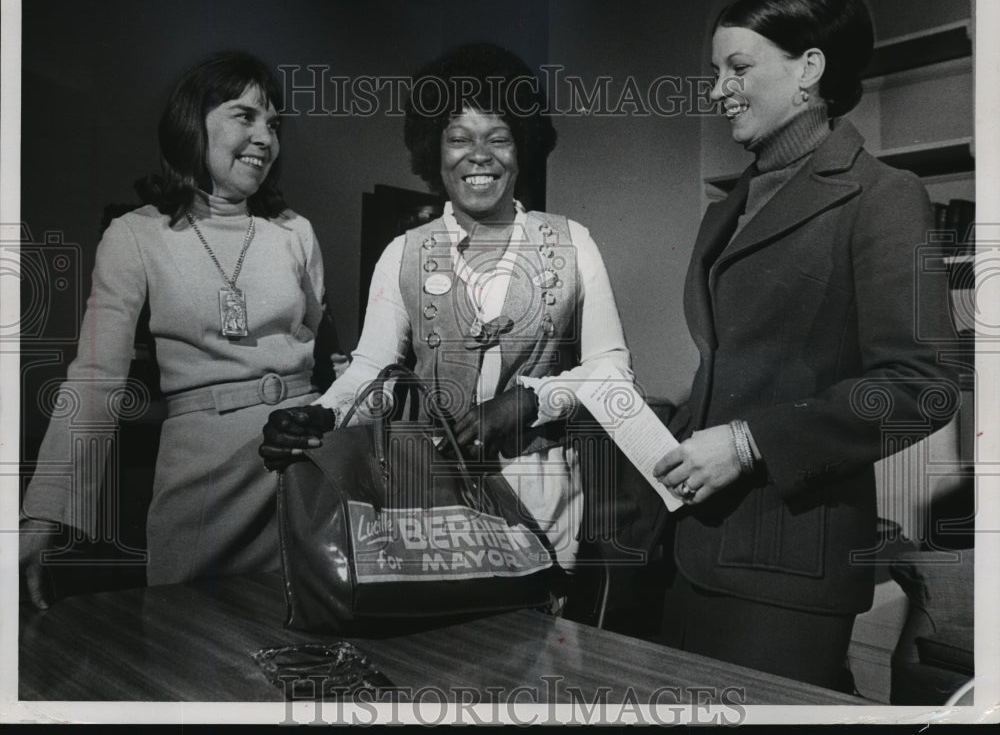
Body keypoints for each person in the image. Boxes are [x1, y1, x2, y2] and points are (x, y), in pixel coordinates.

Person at [651, 0, 958, 690]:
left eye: (738, 67)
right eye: (714, 72)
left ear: (810, 70)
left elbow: (923, 388)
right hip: (691, 545)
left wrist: (748, 440)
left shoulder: (884, 197)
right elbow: (735, 366)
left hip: (789, 567)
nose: (718, 89)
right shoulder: (730, 205)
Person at [260, 41, 632, 578]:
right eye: (458, 138)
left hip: (546, 499)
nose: (478, 155)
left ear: (521, 147)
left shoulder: (573, 243)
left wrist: (527, 402)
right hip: (435, 501)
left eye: (498, 138)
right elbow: (371, 371)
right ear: (434, 151)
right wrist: (322, 415)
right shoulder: (403, 254)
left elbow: (613, 371)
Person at [20, 51, 329, 606]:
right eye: (245, 116)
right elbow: (94, 378)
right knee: (194, 649)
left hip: (302, 463)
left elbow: (313, 347)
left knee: (308, 640)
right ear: (194, 123)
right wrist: (43, 514)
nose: (265, 137)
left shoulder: (295, 232)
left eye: (274, 124)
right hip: (204, 477)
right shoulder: (135, 234)